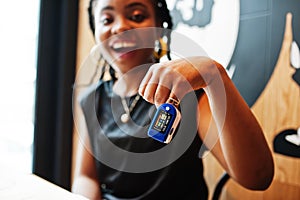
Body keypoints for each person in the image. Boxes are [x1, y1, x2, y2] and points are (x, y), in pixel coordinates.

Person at [71, 0, 274, 199]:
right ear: (95, 30)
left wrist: (215, 74)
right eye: (107, 19)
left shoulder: (188, 96)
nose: (121, 27)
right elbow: (86, 177)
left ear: (159, 26)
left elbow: (257, 177)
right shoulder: (91, 99)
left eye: (137, 16)